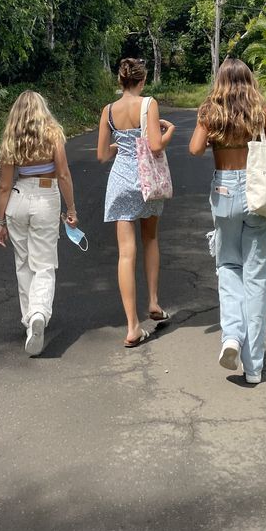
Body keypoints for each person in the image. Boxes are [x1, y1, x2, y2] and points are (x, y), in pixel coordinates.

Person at [189, 57, 266, 385]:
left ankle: (231, 336)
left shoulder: (211, 109)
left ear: (220, 80)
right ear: (249, 80)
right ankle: (254, 367)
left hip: (223, 191)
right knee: (257, 277)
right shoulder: (259, 108)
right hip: (255, 192)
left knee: (228, 266)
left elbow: (193, 149)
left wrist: (213, 136)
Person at [97, 58, 176, 348]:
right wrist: (170, 133)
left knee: (125, 254)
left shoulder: (108, 110)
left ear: (120, 81)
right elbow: (155, 146)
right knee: (151, 238)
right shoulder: (149, 104)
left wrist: (121, 144)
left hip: (120, 181)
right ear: (142, 81)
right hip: (147, 181)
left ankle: (132, 326)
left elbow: (102, 155)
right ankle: (153, 301)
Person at [0, 90, 78, 356]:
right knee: (44, 263)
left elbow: (5, 184)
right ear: (43, 110)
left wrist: (0, 221)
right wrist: (71, 208)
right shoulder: (53, 133)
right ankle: (39, 313)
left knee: (23, 263)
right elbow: (63, 174)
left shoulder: (12, 138)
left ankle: (29, 320)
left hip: (18, 199)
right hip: (46, 196)